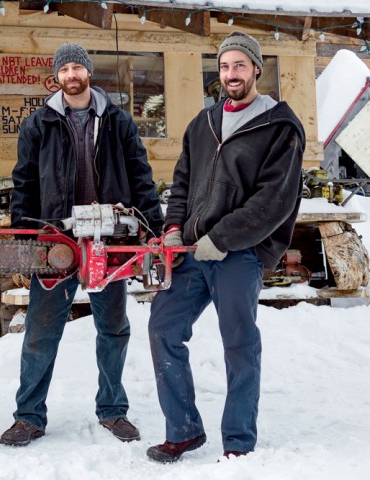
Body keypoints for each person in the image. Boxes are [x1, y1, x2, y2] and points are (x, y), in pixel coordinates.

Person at [146, 31, 305, 463]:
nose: (231, 74)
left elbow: (275, 199)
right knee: (163, 328)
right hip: (194, 251)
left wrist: (224, 238)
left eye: (239, 65)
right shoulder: (204, 122)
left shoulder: (280, 126)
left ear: (256, 68)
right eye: (224, 67)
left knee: (238, 343)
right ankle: (183, 430)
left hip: (240, 252)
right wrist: (174, 226)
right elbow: (182, 182)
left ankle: (237, 438)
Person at [0, 43, 164, 447]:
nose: (71, 74)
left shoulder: (117, 122)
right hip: (57, 240)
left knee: (113, 327)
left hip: (112, 238)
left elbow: (141, 175)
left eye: (78, 67)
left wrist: (154, 228)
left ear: (88, 72)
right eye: (65, 68)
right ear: (56, 77)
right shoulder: (39, 124)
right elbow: (25, 182)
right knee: (41, 329)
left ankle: (112, 409)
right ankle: (29, 416)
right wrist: (26, 239)